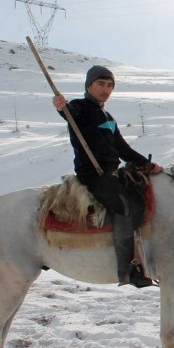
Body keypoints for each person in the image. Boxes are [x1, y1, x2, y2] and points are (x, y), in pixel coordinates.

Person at [53, 65, 163, 288]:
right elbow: (69, 114)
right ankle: (127, 270)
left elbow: (122, 147)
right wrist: (61, 107)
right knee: (124, 206)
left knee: (139, 198)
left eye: (110, 85)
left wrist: (147, 164)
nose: (106, 89)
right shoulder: (80, 107)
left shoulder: (108, 116)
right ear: (88, 86)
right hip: (93, 175)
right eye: (101, 84)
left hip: (112, 174)